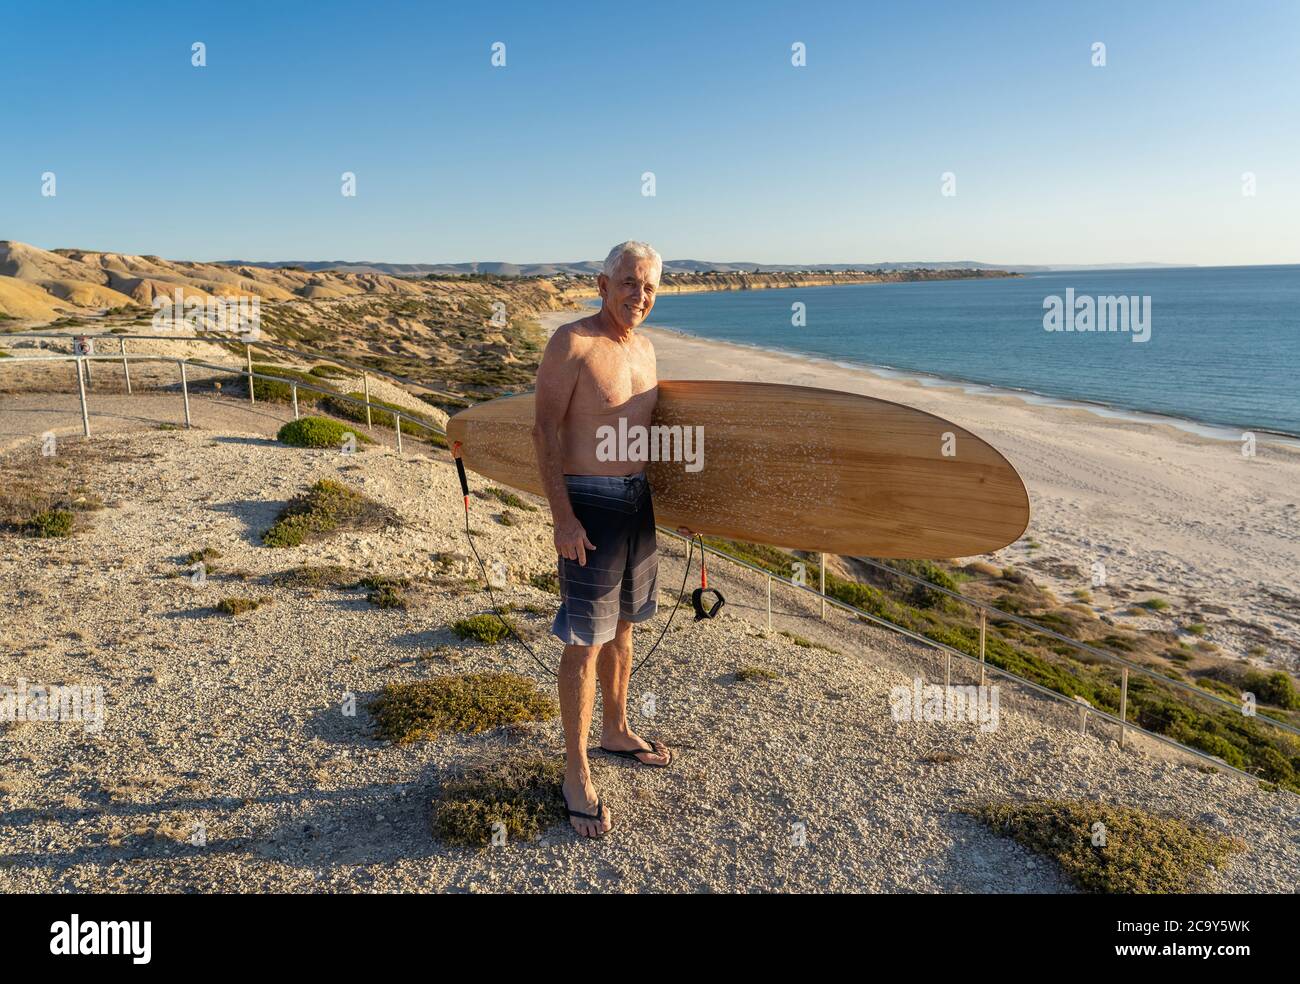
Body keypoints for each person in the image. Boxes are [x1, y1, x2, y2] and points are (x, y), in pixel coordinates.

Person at [531, 241, 676, 838]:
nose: (639, 296)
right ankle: (575, 769)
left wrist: (683, 508)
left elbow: (646, 440)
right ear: (603, 282)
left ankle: (615, 728)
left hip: (636, 501)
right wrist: (562, 517)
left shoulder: (644, 349)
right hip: (588, 504)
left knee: (625, 625)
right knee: (585, 639)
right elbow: (543, 432)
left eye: (649, 288)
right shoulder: (573, 342)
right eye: (629, 283)